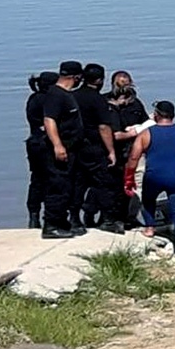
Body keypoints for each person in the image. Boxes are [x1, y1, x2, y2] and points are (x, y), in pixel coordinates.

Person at [123, 101, 175, 262]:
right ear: (174, 115)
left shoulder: (146, 133)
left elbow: (133, 157)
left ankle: (150, 228)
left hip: (154, 176)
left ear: (156, 115)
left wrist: (129, 179)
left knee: (148, 199)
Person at [72, 63, 120, 233]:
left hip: (76, 146)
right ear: (100, 80)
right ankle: (107, 220)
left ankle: (75, 220)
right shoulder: (97, 99)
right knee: (103, 183)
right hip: (94, 146)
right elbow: (103, 127)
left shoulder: (72, 96)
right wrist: (111, 151)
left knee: (78, 183)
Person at [41, 61, 85, 239]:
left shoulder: (66, 95)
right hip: (61, 149)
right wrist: (58, 145)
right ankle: (51, 225)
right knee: (58, 186)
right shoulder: (56, 95)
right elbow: (49, 120)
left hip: (72, 148)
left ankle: (62, 221)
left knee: (68, 186)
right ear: (75, 77)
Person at [105, 70, 149, 227]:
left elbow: (145, 123)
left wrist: (141, 130)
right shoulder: (105, 102)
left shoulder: (135, 103)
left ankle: (130, 216)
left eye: (126, 83)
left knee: (137, 185)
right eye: (120, 84)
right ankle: (108, 217)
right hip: (112, 151)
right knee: (113, 186)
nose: (124, 88)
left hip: (134, 151)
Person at [25, 71, 59, 229]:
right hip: (48, 144)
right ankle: (50, 216)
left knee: (36, 180)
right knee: (53, 180)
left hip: (34, 143)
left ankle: (33, 216)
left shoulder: (33, 99)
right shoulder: (51, 100)